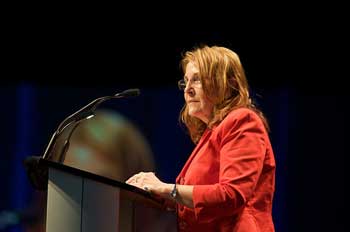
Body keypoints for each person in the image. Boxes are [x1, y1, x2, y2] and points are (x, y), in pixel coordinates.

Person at [126, 45, 276, 231]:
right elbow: (198, 204)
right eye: (185, 82)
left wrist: (167, 189)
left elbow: (231, 195)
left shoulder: (243, 121)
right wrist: (153, 190)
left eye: (197, 80)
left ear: (226, 83)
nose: (187, 90)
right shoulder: (212, 132)